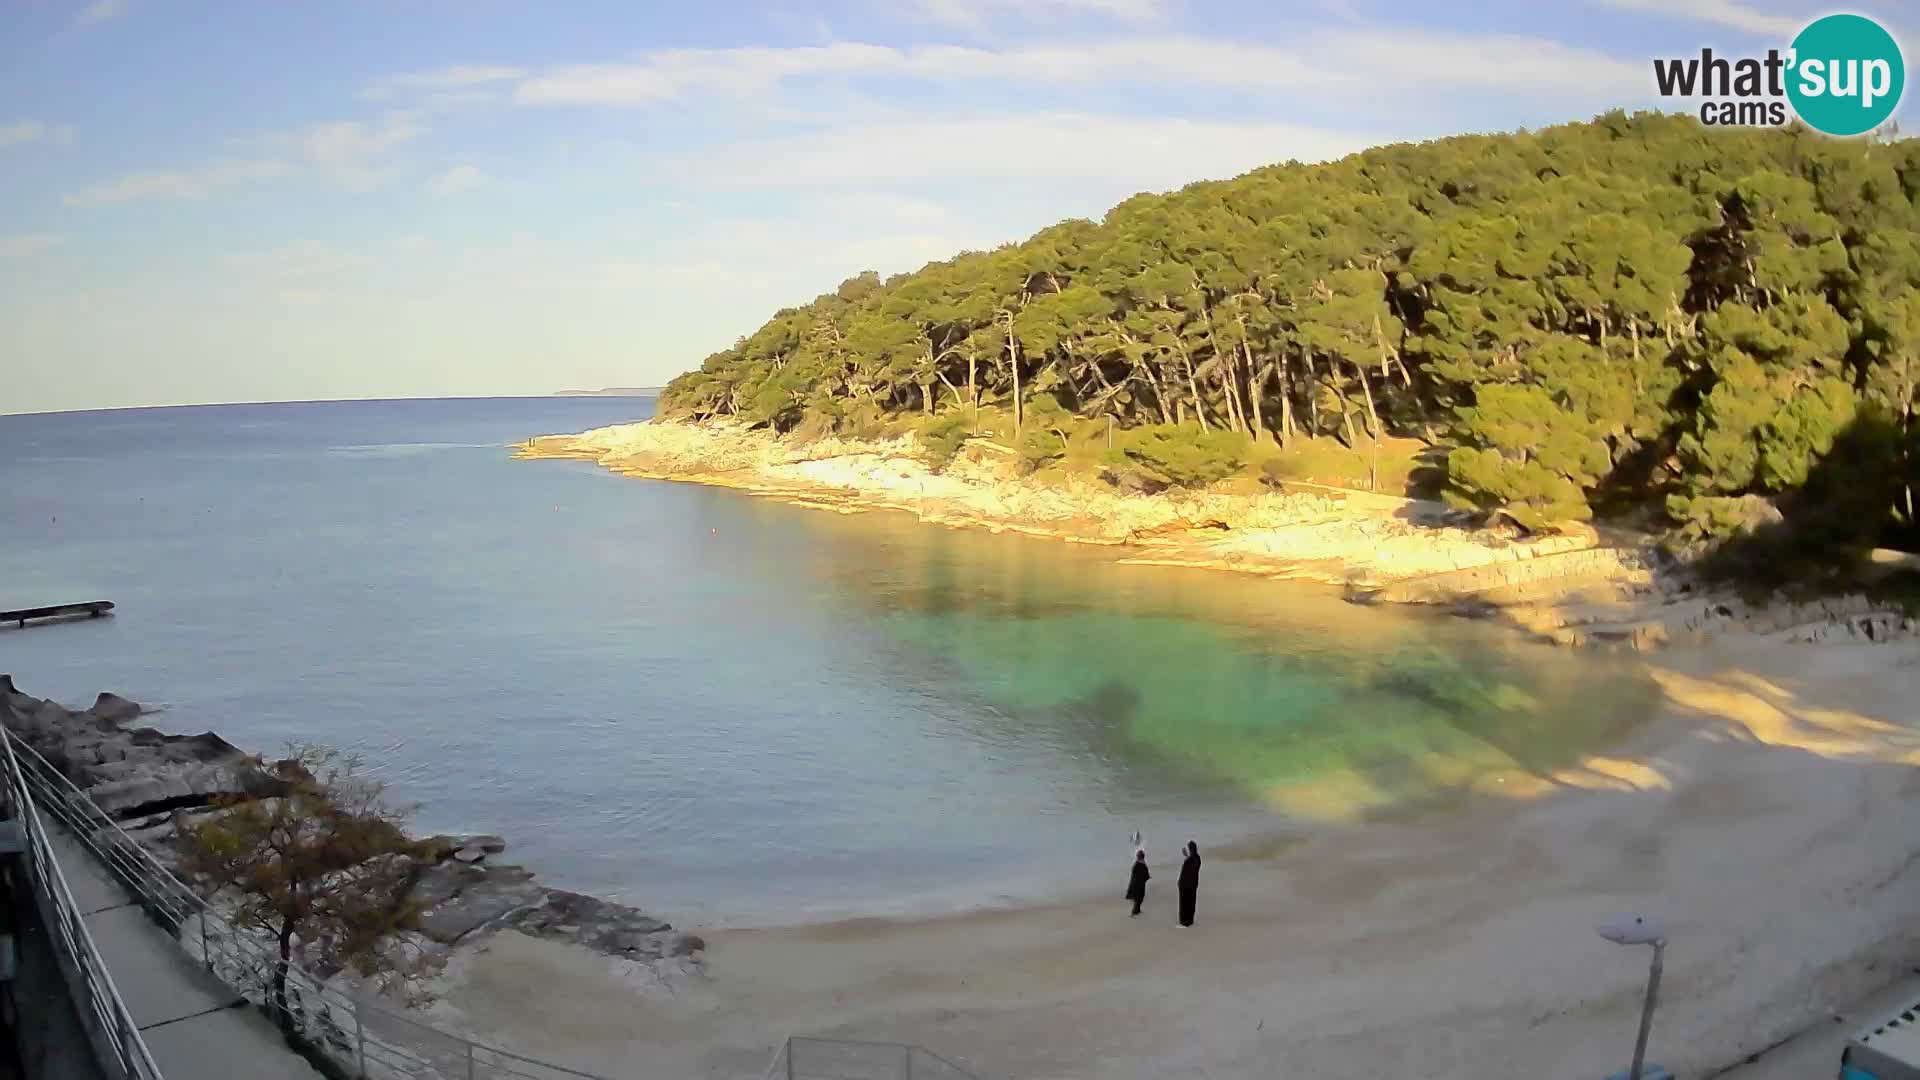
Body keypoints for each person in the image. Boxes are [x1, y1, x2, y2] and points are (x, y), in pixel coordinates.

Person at [1177, 841, 1201, 928]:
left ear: (1190, 850)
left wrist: (1179, 883)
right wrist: (1187, 856)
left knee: (1184, 904)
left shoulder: (1189, 861)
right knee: (1191, 903)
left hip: (1185, 886)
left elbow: (1185, 873)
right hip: (1193, 885)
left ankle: (1184, 923)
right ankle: (1190, 920)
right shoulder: (1197, 858)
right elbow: (1193, 864)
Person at [1126, 848, 1150, 917]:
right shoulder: (1142, 865)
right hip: (1139, 884)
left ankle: (1137, 911)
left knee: (1138, 898)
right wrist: (1147, 878)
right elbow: (1146, 875)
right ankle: (1134, 913)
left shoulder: (1136, 864)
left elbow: (1135, 874)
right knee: (1139, 898)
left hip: (1135, 884)